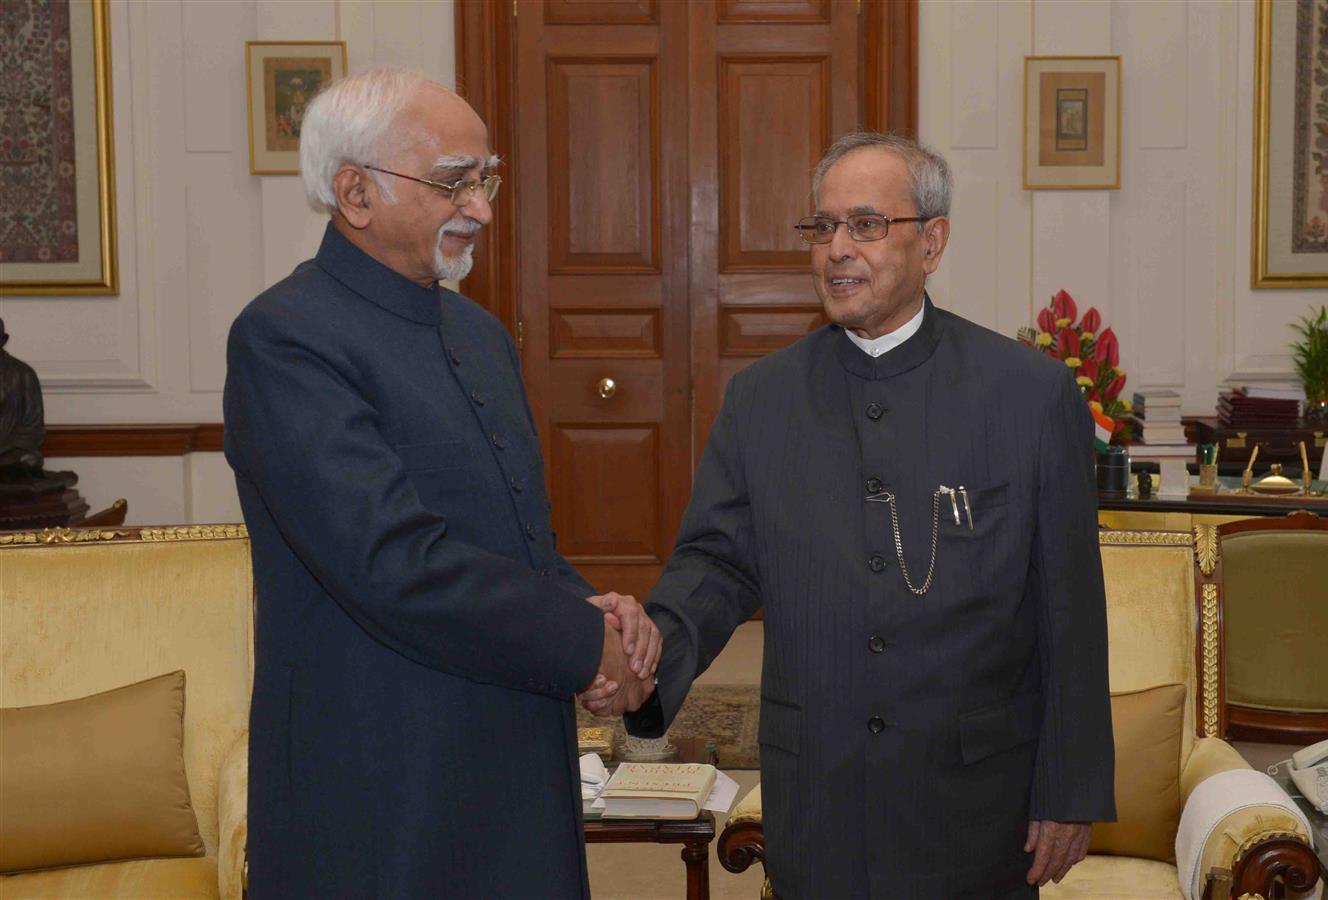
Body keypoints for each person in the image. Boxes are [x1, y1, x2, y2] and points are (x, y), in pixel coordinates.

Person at [592, 132, 1116, 898]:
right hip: (819, 797)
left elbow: (1070, 607)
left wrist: (1070, 787)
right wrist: (644, 663)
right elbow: (715, 567)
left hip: (973, 802)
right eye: (823, 226)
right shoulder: (762, 401)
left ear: (931, 242)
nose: (837, 248)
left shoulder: (1029, 396)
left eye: (866, 225)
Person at [224, 68, 657, 899]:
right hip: (381, 772)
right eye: (453, 181)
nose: (481, 209)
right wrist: (582, 643)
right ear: (355, 193)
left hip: (515, 742)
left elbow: (517, 541)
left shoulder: (480, 334)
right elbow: (394, 563)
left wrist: (599, 614)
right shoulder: (284, 339)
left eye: (484, 179)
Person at [0, 319, 46, 473]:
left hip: (8, 452)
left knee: (30, 460)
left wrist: (9, 447)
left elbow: (33, 426)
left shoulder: (23, 374)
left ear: (4, 339)